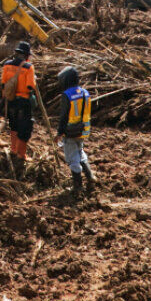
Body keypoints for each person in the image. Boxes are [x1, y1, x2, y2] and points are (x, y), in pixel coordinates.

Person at [55, 66, 95, 201]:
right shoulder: (85, 92)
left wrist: (59, 133)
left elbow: (64, 116)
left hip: (71, 131)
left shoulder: (67, 95)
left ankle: (77, 186)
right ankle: (90, 176)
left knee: (72, 158)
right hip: (84, 130)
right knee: (80, 152)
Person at [1, 41, 37, 174]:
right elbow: (29, 86)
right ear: (26, 55)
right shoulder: (28, 67)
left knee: (14, 125)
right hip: (23, 101)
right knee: (25, 128)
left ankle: (13, 149)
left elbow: (3, 83)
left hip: (11, 101)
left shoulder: (7, 65)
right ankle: (21, 155)